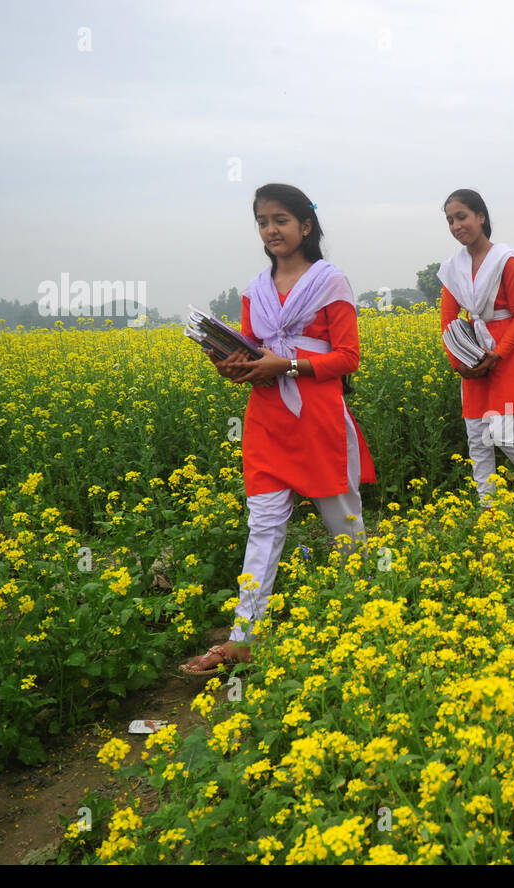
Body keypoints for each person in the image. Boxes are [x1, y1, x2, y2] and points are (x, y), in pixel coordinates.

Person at [181, 183, 376, 676]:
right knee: (263, 527)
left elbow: (348, 358)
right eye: (263, 222)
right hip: (267, 418)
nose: (271, 230)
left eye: (280, 220)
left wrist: (286, 365)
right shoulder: (255, 289)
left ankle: (371, 614)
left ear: (305, 226)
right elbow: (251, 349)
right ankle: (242, 637)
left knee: (344, 524)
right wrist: (232, 365)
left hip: (318, 418)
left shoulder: (331, 282)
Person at [438, 188, 514, 505]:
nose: (456, 226)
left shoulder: (506, 260)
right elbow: (448, 320)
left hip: (507, 353)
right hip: (472, 353)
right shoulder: (453, 268)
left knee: (502, 432)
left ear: (481, 217)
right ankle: (488, 505)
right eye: (450, 221)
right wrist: (459, 363)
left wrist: (498, 354)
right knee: (477, 435)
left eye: (461, 217)